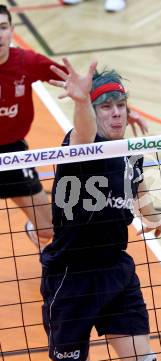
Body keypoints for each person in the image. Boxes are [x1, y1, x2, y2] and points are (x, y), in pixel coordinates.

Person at [41, 58, 161, 361]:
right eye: (106, 106)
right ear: (93, 111)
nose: (116, 113)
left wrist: (151, 217)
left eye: (121, 105)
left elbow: (136, 181)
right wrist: (82, 101)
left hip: (115, 269)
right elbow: (82, 129)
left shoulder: (129, 147)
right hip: (71, 276)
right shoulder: (81, 146)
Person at [0, 4, 66, 247]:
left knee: (49, 230)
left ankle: (34, 230)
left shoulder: (26, 62)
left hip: (12, 155)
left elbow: (73, 80)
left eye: (3, 27)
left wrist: (119, 104)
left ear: (11, 30)